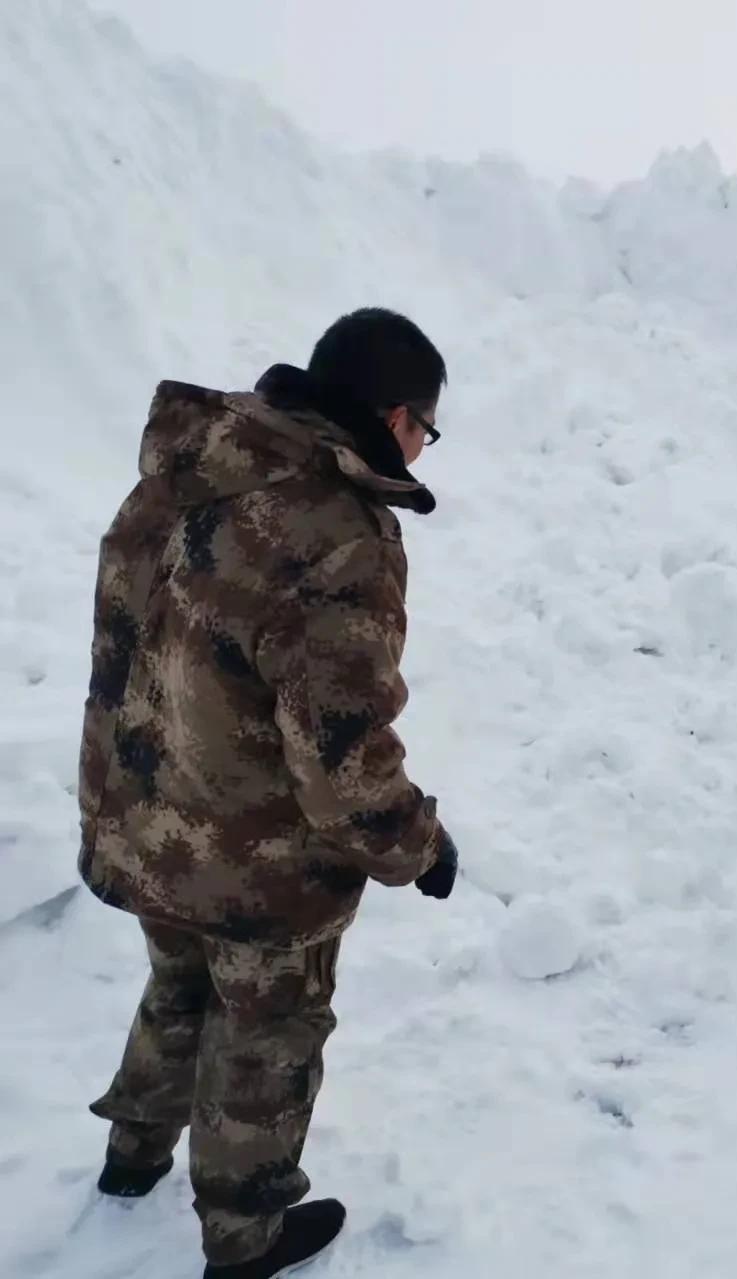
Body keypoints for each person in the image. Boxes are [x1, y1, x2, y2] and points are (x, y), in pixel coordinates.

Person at [77, 308, 458, 1278]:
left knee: (177, 982)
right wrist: (415, 843)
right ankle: (245, 1235)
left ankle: (132, 1157)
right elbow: (340, 753)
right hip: (255, 860)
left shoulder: (194, 464)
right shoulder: (338, 530)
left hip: (145, 813)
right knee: (266, 1031)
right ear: (393, 413)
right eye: (427, 424)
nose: (423, 445)